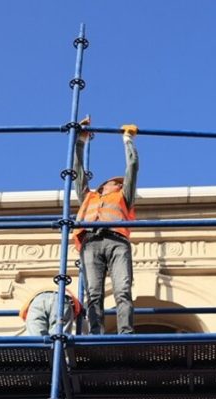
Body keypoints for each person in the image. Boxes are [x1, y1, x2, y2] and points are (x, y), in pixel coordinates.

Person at [73, 116, 138, 335]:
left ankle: (126, 332)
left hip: (117, 241)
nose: (119, 183)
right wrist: (80, 140)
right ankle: (95, 334)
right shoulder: (89, 196)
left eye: (121, 183)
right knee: (93, 293)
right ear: (105, 184)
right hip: (90, 242)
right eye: (115, 181)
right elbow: (77, 171)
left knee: (122, 290)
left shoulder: (124, 196)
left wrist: (127, 140)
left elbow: (132, 167)